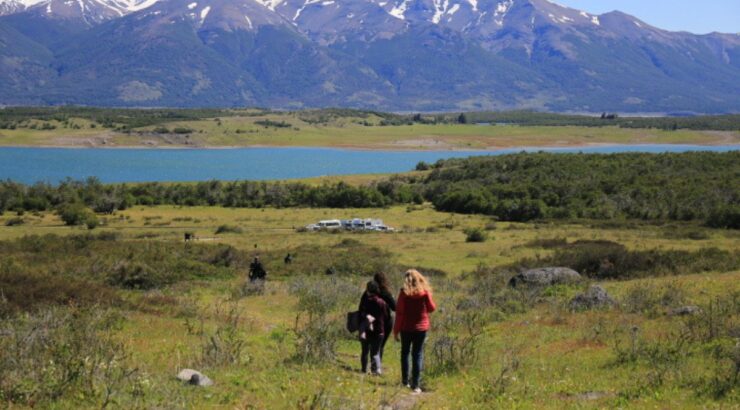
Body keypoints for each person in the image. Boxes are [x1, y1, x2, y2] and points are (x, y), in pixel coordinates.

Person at [393, 269, 436, 394]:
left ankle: (405, 382)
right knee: (417, 354)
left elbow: (399, 313)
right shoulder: (424, 292)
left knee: (405, 353)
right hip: (421, 329)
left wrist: (396, 330)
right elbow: (432, 308)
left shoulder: (403, 294)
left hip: (406, 328)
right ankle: (416, 384)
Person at [358, 281, 388, 375]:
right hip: (379, 329)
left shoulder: (365, 301)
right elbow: (386, 316)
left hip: (366, 329)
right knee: (375, 352)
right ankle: (375, 370)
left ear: (368, 290)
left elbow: (360, 312)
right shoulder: (382, 302)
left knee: (364, 351)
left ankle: (364, 369)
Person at [372, 272, 396, 359]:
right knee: (381, 345)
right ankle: (377, 366)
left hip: (372, 320)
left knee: (374, 343)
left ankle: (371, 365)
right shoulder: (386, 293)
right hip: (386, 321)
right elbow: (395, 307)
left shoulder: (371, 292)